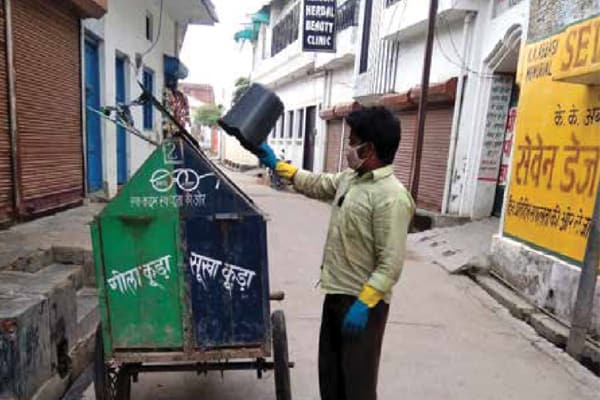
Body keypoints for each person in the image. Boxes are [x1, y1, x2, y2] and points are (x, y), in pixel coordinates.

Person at [256, 106, 415, 400]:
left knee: (357, 386)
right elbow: (316, 184)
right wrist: (278, 165)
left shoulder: (391, 198)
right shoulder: (350, 179)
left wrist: (364, 304)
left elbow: (390, 264)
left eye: (354, 142)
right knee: (331, 378)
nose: (348, 148)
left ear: (370, 148)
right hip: (336, 296)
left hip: (364, 305)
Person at [162, 55, 190, 139]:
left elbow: (186, 115)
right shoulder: (166, 94)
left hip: (178, 132)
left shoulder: (182, 97)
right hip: (170, 132)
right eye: (171, 79)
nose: (173, 82)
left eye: (175, 80)